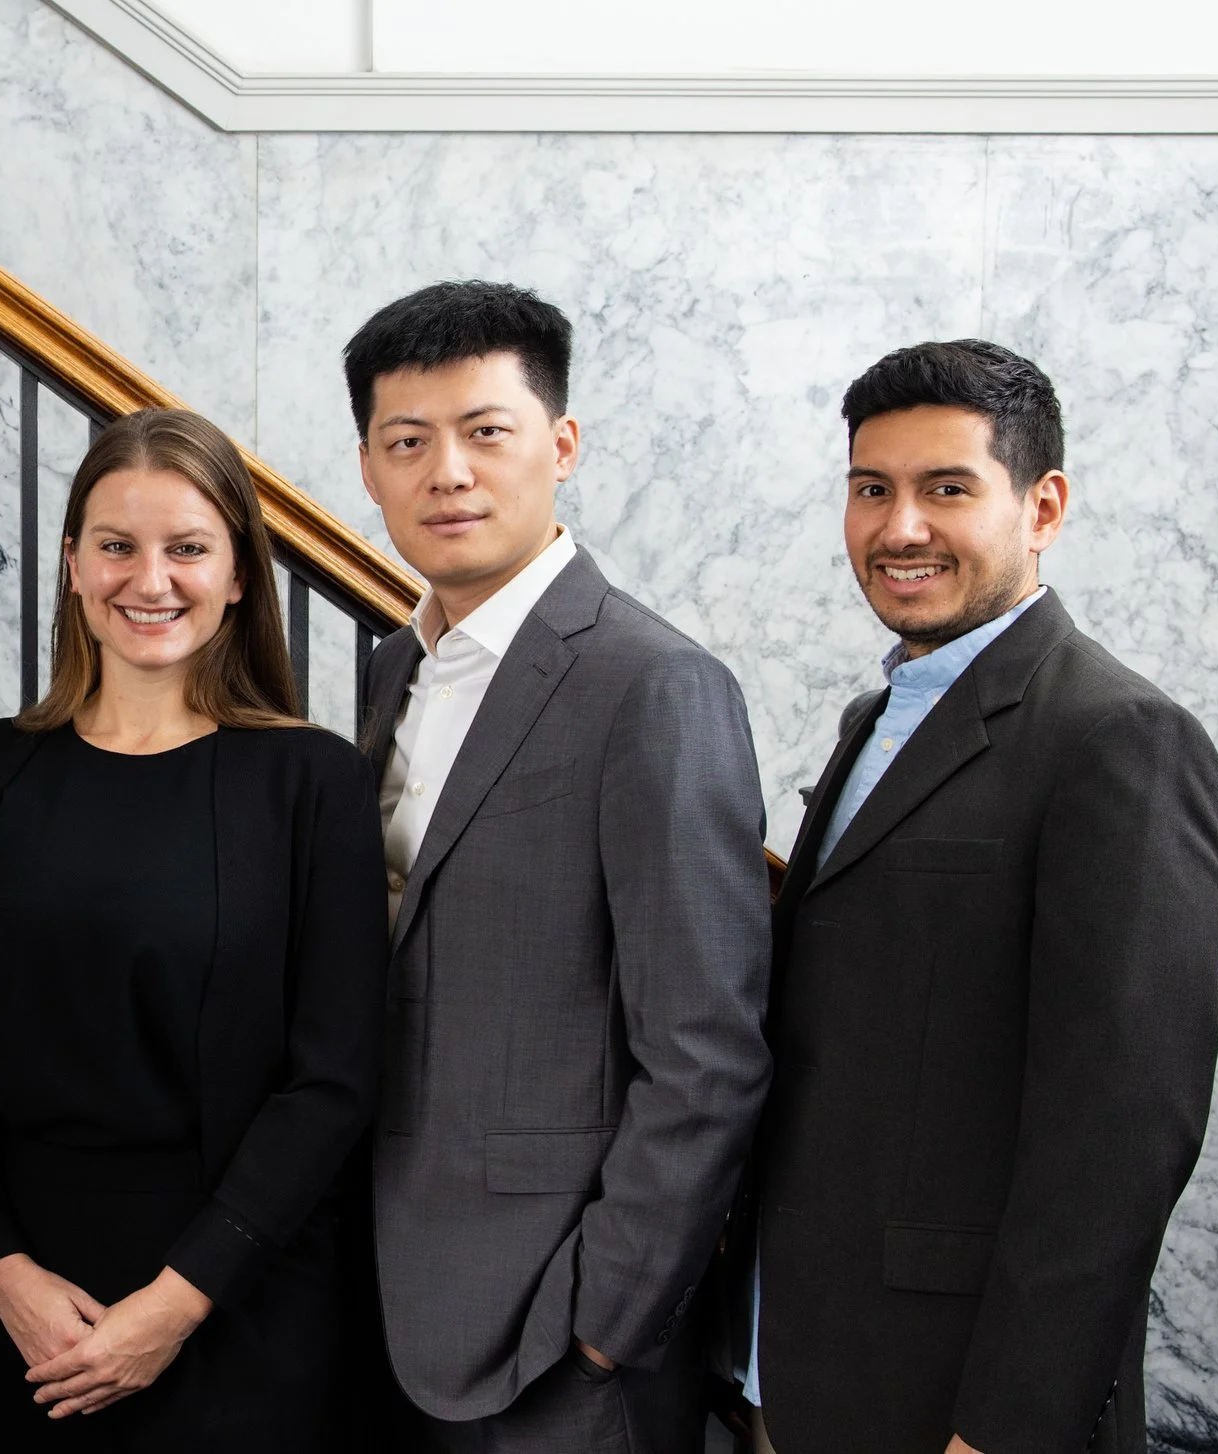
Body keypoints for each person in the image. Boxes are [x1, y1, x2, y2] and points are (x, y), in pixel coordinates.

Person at [725, 341, 1218, 1454]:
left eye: (946, 488)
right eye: (871, 489)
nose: (899, 526)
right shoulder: (874, 717)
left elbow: (1121, 1139)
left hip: (952, 1397)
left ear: (1041, 505)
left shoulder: (1119, 738)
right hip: (794, 1363)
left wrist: (1007, 1427)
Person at [0, 407, 387, 1452]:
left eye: (187, 548)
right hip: (27, 1312)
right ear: (74, 563)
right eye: (117, 546)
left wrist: (175, 1302)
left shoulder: (310, 781)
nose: (150, 579)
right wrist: (2, 1271)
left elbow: (333, 1080)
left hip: (238, 1301)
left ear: (239, 574)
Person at [350, 281, 772, 1451]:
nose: (448, 471)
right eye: (407, 441)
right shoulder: (392, 669)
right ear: (370, 468)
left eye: (486, 431)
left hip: (559, 1342)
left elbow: (707, 1052)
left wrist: (600, 1322)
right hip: (388, 1308)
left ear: (562, 445)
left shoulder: (654, 685)